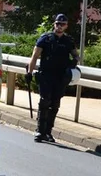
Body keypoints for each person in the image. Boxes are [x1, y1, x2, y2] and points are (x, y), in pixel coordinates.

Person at [27, 14, 79, 142]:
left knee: (55, 103)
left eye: (62, 24)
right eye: (57, 24)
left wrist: (74, 63)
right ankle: (40, 131)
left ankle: (49, 132)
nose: (59, 26)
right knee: (44, 101)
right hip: (46, 74)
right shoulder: (45, 38)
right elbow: (34, 56)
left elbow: (76, 56)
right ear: (54, 24)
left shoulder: (68, 40)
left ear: (66, 26)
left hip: (60, 76)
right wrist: (29, 72)